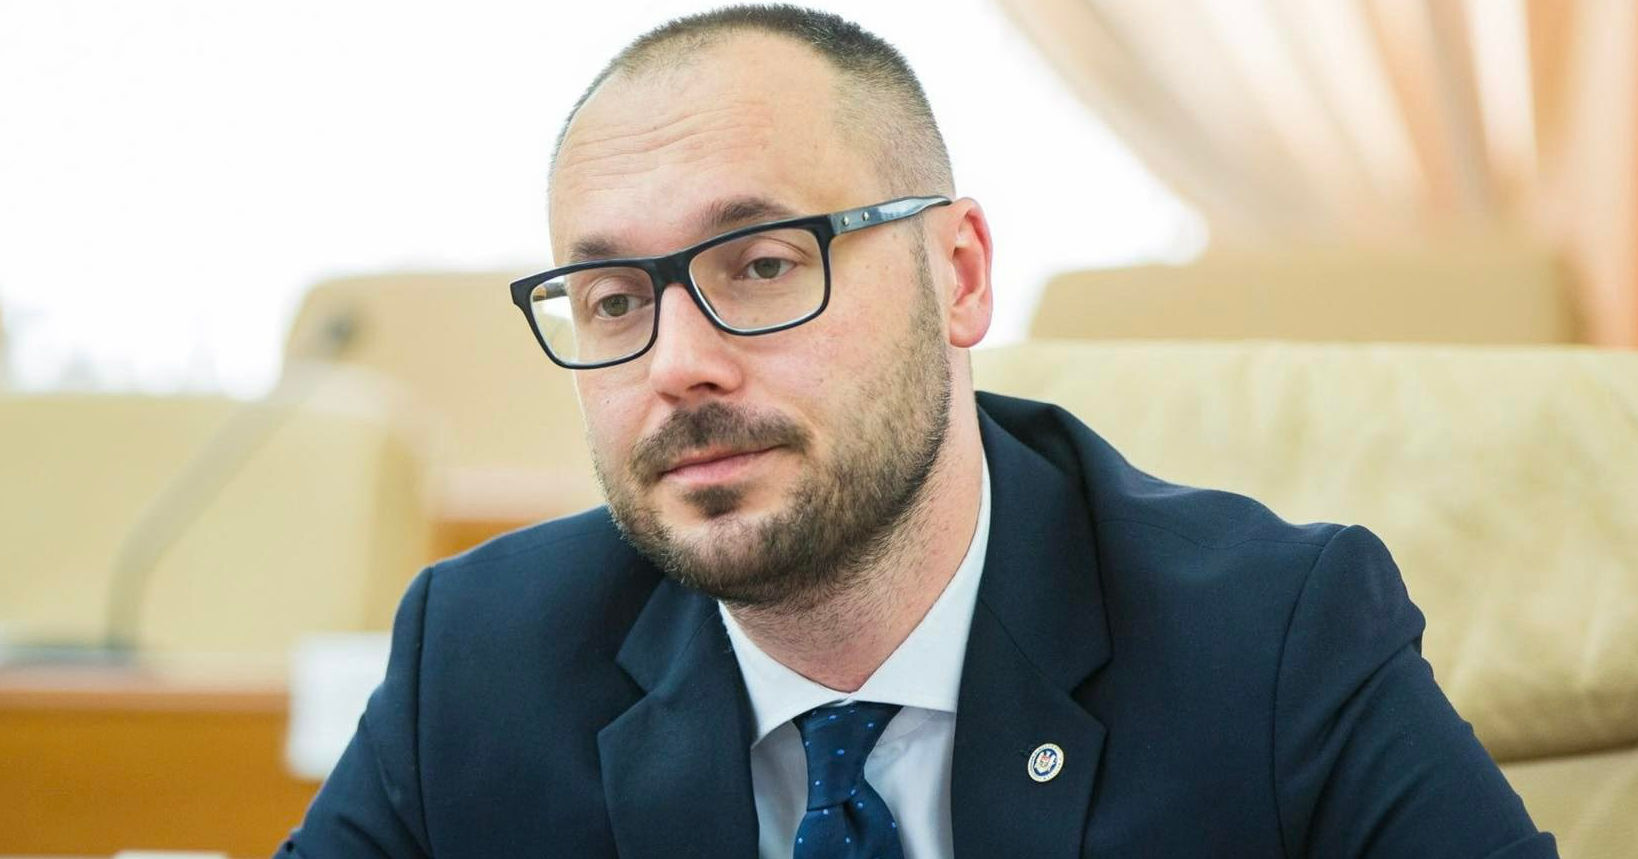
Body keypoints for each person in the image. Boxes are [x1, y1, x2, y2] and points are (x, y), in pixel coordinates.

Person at [278, 5, 1555, 857]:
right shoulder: (480, 660)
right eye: (615, 300)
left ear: (960, 275)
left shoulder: (1273, 639)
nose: (677, 365)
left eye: (762, 265)